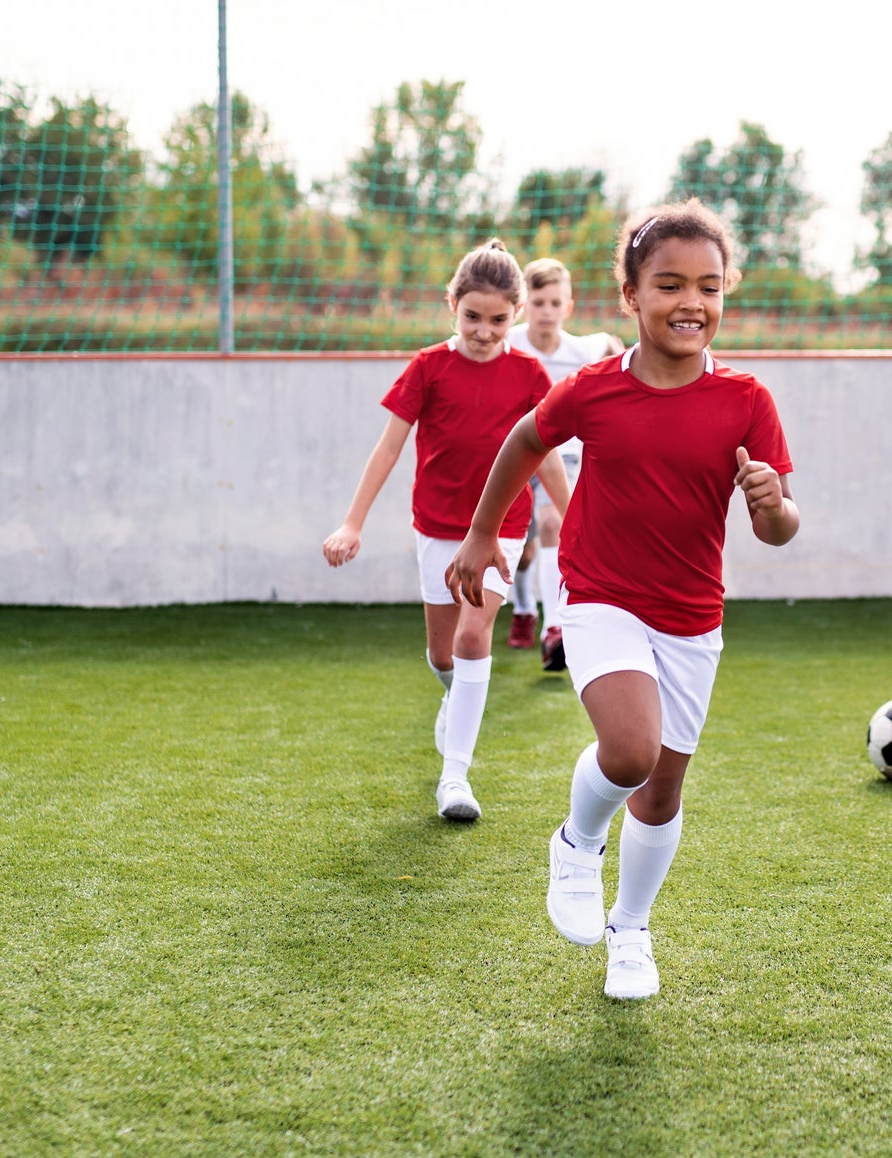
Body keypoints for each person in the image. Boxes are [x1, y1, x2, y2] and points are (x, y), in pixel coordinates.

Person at [448, 200, 799, 1000]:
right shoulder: (593, 389)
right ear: (630, 297)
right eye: (669, 284)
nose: (691, 303)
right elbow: (523, 442)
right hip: (601, 595)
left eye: (709, 287)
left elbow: (780, 529)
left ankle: (630, 932)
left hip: (691, 616)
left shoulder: (746, 400)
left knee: (664, 788)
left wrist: (771, 505)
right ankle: (576, 842)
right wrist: (478, 536)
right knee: (631, 752)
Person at [322, 239, 570, 823]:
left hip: (503, 530)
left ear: (516, 314)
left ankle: (455, 775)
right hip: (436, 528)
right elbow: (388, 448)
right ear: (451, 305)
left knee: (471, 638)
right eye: (472, 317)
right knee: (442, 654)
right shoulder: (428, 367)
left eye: (499, 320)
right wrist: (352, 522)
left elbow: (550, 458)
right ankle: (452, 693)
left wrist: (579, 518)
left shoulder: (531, 375)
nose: (485, 331)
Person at [502, 258, 625, 669]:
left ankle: (554, 631)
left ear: (567, 308)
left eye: (556, 303)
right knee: (522, 552)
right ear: (524, 306)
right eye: (538, 302)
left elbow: (610, 345)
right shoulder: (509, 344)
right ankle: (523, 609)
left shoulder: (581, 349)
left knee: (555, 522)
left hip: (564, 455)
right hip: (517, 453)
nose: (547, 311)